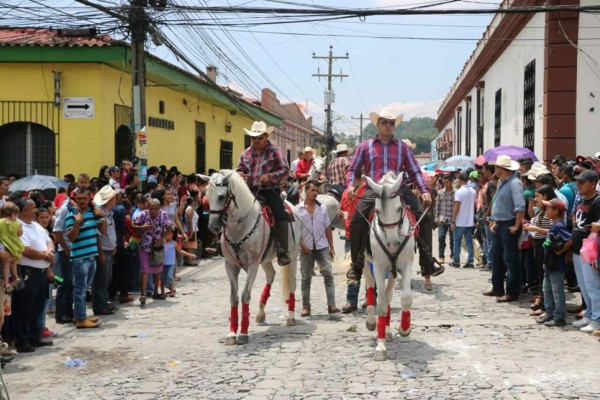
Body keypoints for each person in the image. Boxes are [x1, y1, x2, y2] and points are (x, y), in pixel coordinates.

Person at [345, 107, 433, 283]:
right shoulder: (365, 146)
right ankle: (356, 265)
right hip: (375, 189)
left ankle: (427, 264)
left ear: (394, 126)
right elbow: (353, 169)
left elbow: (415, 171)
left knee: (425, 218)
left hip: (398, 189)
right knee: (356, 221)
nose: (387, 125)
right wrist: (349, 186)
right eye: (384, 122)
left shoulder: (402, 147)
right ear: (377, 124)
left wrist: (424, 191)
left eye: (391, 123)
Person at [236, 121, 291, 266]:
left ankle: (282, 250)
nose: (256, 141)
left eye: (260, 137)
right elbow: (239, 169)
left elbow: (285, 170)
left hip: (270, 191)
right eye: (254, 138)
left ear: (266, 136)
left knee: (280, 213)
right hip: (249, 191)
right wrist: (241, 176)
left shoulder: (276, 151)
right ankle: (230, 243)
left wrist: (270, 177)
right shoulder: (246, 153)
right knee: (233, 209)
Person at [12, 198, 55, 352]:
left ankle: (35, 337)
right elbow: (25, 250)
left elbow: (49, 241)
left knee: (38, 306)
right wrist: (45, 256)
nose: (36, 210)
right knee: (25, 308)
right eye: (33, 208)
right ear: (23, 211)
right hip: (28, 273)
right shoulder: (18, 227)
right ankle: (23, 341)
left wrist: (49, 251)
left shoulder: (36, 225)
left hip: (42, 272)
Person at [484, 155, 526, 303]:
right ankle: (497, 287)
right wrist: (494, 221)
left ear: (501, 169)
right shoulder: (502, 182)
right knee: (496, 257)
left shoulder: (515, 183)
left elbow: (520, 206)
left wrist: (516, 225)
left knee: (510, 259)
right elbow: (498, 204)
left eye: (496, 167)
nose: (495, 169)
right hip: (499, 223)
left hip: (509, 223)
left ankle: (512, 291)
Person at [296, 180, 340, 316]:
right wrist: (301, 245)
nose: (315, 193)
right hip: (306, 248)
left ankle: (331, 305)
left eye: (317, 191)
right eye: (312, 190)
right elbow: (296, 230)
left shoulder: (323, 208)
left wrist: (331, 247)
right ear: (306, 191)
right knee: (306, 278)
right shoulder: (298, 209)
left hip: (322, 247)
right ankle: (306, 307)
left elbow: (327, 228)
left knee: (328, 275)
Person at [65, 188, 106, 329]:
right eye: (79, 199)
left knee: (84, 289)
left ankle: (80, 315)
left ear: (90, 199)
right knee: (80, 289)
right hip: (80, 258)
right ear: (75, 199)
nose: (82, 201)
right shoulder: (72, 214)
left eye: (84, 198)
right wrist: (77, 222)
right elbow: (71, 237)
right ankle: (81, 319)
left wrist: (103, 217)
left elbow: (103, 231)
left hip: (91, 256)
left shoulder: (93, 213)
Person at [571, 170, 600, 333]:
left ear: (593, 184)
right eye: (578, 181)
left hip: (590, 251)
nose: (578, 184)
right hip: (578, 249)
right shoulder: (582, 200)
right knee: (584, 286)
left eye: (582, 182)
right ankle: (589, 315)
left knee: (593, 286)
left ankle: (597, 319)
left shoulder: (598, 201)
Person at [535, 199, 571, 327]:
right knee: (547, 289)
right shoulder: (553, 225)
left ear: (556, 211)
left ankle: (559, 317)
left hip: (556, 265)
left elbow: (569, 239)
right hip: (549, 263)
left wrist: (561, 251)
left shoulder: (559, 225)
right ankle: (549, 313)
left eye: (549, 209)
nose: (546, 211)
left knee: (557, 290)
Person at [133, 198, 171, 306]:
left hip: (157, 246)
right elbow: (133, 225)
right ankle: (143, 294)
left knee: (157, 269)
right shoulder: (143, 214)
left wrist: (161, 239)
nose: (153, 211)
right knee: (145, 270)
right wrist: (142, 227)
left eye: (155, 208)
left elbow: (169, 228)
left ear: (159, 208)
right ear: (147, 207)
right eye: (151, 208)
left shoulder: (163, 215)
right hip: (144, 246)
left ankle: (156, 292)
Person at [91, 185, 120, 316]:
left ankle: (104, 302)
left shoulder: (109, 212)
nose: (116, 199)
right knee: (101, 279)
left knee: (106, 278)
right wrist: (102, 252)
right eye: (113, 197)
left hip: (109, 248)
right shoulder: (100, 213)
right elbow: (100, 233)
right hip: (102, 250)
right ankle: (100, 305)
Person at [160, 226, 196, 298]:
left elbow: (180, 251)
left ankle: (172, 291)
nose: (167, 235)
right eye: (166, 233)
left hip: (171, 264)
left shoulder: (174, 244)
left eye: (169, 234)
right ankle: (162, 292)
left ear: (173, 235)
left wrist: (189, 255)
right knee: (162, 278)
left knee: (170, 277)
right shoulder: (162, 243)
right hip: (162, 264)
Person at [450, 172, 476, 268]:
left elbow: (456, 206)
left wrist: (453, 221)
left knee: (457, 241)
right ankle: (470, 261)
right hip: (470, 221)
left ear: (460, 180)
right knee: (469, 242)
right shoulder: (473, 191)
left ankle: (456, 261)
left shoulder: (459, 192)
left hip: (460, 221)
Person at [0, 202, 24, 291]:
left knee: (5, 265)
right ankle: (15, 276)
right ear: (13, 214)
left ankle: (6, 282)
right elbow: (20, 233)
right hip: (15, 248)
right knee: (13, 262)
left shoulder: (0, 222)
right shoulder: (17, 224)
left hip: (5, 248)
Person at [435, 175, 455, 264]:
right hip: (443, 218)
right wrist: (437, 217)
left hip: (452, 219)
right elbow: (437, 206)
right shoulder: (440, 192)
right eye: (444, 183)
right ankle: (441, 256)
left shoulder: (456, 193)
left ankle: (453, 256)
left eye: (447, 182)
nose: (446, 184)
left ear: (451, 182)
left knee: (452, 239)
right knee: (441, 237)